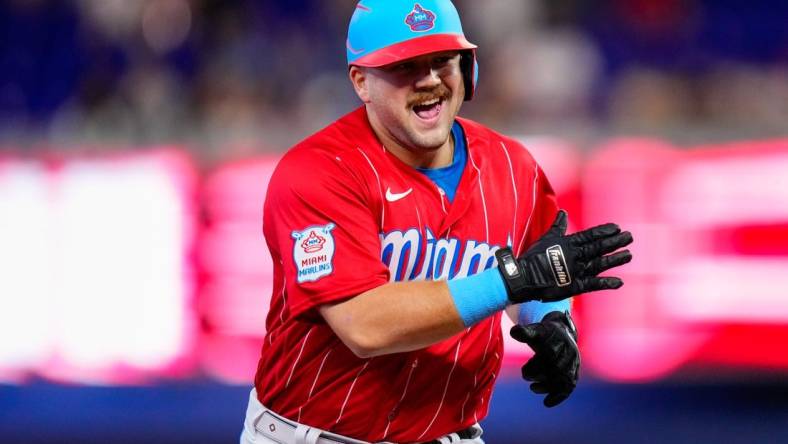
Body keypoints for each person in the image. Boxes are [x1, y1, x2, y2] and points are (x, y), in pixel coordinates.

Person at [241, 1, 633, 443]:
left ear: (468, 68)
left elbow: (539, 270)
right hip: (315, 434)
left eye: (442, 60)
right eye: (405, 65)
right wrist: (511, 282)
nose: (428, 79)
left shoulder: (512, 165)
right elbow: (364, 325)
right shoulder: (320, 171)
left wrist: (555, 321)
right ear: (361, 82)